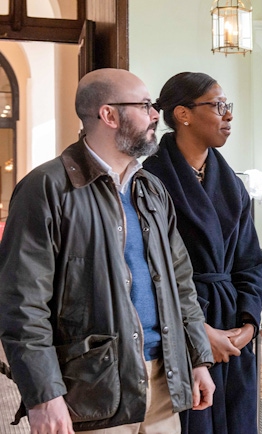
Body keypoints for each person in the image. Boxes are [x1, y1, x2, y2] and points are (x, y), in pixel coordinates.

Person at [0, 68, 216, 434]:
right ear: (109, 114)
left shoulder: (151, 189)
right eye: (146, 106)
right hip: (90, 390)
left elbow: (180, 281)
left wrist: (197, 359)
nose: (154, 116)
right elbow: (22, 304)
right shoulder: (46, 189)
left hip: (164, 381)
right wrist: (43, 395)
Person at [143, 72, 262, 434]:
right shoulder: (149, 178)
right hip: (179, 327)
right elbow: (147, 269)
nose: (228, 115)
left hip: (230, 325)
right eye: (218, 106)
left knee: (237, 418)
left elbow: (250, 260)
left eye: (229, 106)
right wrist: (198, 333)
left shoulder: (233, 185)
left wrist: (248, 322)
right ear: (183, 114)